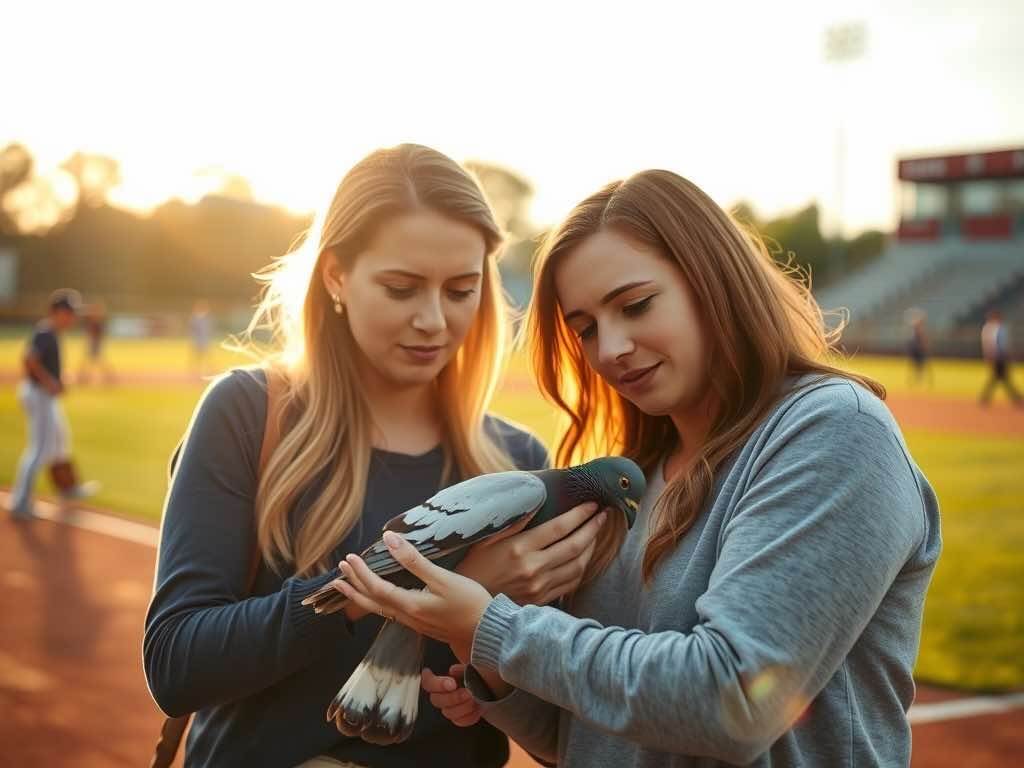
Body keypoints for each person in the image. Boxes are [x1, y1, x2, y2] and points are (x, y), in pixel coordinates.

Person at [336, 169, 943, 767]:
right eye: (585, 329)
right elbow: (583, 740)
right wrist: (494, 669)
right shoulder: (634, 481)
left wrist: (497, 630)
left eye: (636, 305)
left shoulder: (834, 432)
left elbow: (734, 701)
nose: (610, 349)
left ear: (712, 279)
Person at [142, 144, 606, 768]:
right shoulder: (248, 414)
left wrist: (487, 659)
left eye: (461, 290)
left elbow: (558, 735)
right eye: (401, 288)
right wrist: (392, 589)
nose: (433, 320)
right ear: (336, 275)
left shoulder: (517, 464)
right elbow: (177, 664)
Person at [9, 289, 100, 519]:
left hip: (44, 395)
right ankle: (20, 502)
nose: (72, 318)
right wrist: (50, 382)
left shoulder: (51, 332)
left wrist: (58, 379)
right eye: (68, 313)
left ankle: (67, 487)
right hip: (39, 395)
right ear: (56, 312)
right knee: (40, 449)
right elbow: (29, 360)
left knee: (60, 441)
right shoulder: (45, 332)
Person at [979, 309, 1022, 406]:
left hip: (1000, 356)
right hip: (999, 356)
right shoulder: (992, 328)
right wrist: (992, 355)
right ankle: (1017, 398)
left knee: (999, 378)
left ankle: (985, 398)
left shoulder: (993, 328)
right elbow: (992, 344)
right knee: (1002, 378)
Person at [76, 300, 114, 385]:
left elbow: (96, 334)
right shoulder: (93, 322)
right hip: (93, 343)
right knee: (93, 361)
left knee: (97, 361)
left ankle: (83, 377)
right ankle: (83, 377)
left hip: (94, 344)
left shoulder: (97, 323)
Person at [905, 308, 932, 387]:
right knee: (916, 367)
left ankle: (921, 381)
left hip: (919, 351)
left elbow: (923, 341)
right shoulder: (916, 331)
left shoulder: (919, 331)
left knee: (921, 367)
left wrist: (924, 348)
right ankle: (915, 381)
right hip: (916, 351)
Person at [188, 299, 214, 377]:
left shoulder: (206, 318)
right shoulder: (195, 318)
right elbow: (192, 329)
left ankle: (208, 369)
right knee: (198, 356)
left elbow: (208, 330)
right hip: (198, 340)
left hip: (204, 340)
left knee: (206, 355)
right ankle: (194, 370)